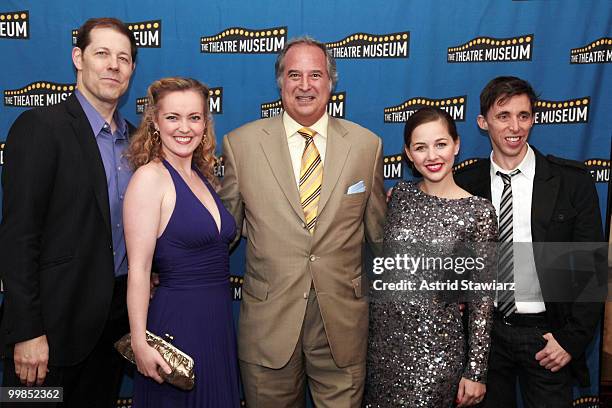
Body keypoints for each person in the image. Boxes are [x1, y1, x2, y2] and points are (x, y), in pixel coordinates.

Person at [219, 36, 386, 407]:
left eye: (316, 74)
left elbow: (378, 238)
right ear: (280, 83)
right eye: (294, 75)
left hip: (342, 326)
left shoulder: (366, 146)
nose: (305, 85)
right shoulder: (241, 145)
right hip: (268, 326)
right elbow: (223, 235)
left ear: (331, 82)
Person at [0, 17, 136, 407]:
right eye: (102, 54)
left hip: (112, 328)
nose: (113, 65)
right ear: (78, 58)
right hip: (48, 335)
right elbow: (18, 236)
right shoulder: (41, 127)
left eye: (123, 58)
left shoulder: (137, 142)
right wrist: (26, 331)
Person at [455, 76, 605, 407]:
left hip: (547, 336)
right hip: (486, 338)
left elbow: (591, 272)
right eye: (504, 116)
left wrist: (570, 340)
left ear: (533, 119)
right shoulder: (463, 185)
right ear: (483, 122)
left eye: (524, 116)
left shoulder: (571, 183)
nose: (515, 126)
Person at [364, 107, 497, 407]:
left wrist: (475, 370)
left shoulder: (479, 213)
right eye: (420, 147)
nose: (432, 156)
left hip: (436, 353)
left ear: (457, 145)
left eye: (441, 144)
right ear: (409, 154)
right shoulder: (399, 196)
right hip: (381, 350)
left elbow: (482, 299)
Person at [124, 77, 240, 407]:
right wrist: (139, 343)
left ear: (205, 123)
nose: (184, 128)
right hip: (178, 326)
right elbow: (139, 270)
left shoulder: (200, 176)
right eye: (173, 117)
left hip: (216, 324)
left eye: (194, 117)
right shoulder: (150, 179)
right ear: (155, 123)